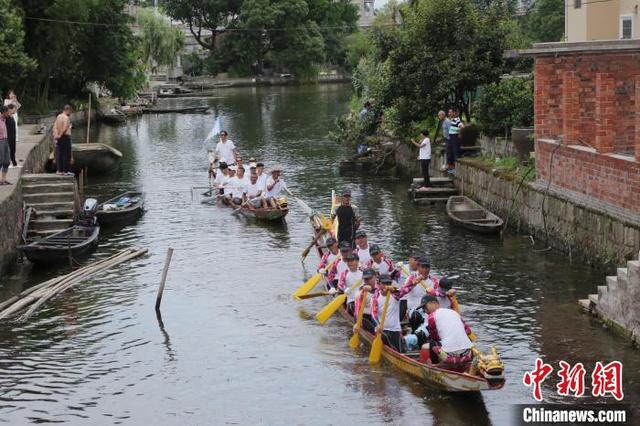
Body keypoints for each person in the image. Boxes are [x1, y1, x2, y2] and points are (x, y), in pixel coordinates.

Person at [416, 295, 474, 365]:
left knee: (432, 342)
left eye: (425, 307)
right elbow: (468, 331)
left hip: (448, 356)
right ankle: (465, 361)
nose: (425, 311)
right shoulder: (454, 312)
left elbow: (435, 337)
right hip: (468, 353)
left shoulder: (431, 317)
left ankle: (435, 364)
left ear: (434, 303)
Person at [370, 274, 421, 352]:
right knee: (391, 345)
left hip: (395, 329)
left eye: (388, 283)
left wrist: (415, 283)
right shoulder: (375, 297)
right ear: (379, 284)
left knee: (400, 351)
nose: (386, 286)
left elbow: (406, 289)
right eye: (384, 283)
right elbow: (373, 314)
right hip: (382, 331)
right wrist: (377, 325)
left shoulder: (395, 294)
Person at [403, 256, 440, 331]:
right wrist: (413, 284)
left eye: (427, 267)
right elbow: (403, 292)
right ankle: (414, 333)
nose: (425, 270)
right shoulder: (411, 278)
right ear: (418, 267)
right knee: (416, 315)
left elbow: (439, 296)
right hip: (413, 310)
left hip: (428, 311)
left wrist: (433, 293)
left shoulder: (434, 281)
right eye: (423, 267)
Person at [353, 268, 378, 334]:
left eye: (370, 278)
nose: (368, 281)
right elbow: (357, 310)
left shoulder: (381, 288)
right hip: (365, 316)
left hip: (378, 316)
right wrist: (357, 323)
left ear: (375, 277)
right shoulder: (361, 292)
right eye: (366, 279)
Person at [52, 105, 73, 176]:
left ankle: (60, 170)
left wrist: (57, 136)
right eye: (70, 111)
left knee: (60, 154)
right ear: (68, 110)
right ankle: (66, 171)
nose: (70, 113)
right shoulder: (66, 118)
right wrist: (61, 134)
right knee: (67, 154)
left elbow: (56, 127)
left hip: (59, 137)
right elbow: (65, 127)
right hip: (65, 137)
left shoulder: (58, 117)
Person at [448, 108, 464, 173]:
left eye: (450, 112)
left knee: (455, 152)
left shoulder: (457, 120)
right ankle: (452, 167)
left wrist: (459, 133)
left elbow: (462, 126)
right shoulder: (452, 120)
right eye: (449, 112)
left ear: (454, 113)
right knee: (450, 151)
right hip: (451, 137)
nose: (449, 113)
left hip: (455, 137)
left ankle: (456, 168)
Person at [0, 106, 11, 185]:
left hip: (5, 140)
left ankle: (3, 179)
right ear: (4, 112)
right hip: (0, 141)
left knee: (7, 161)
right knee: (0, 160)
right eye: (8, 112)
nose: (9, 113)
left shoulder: (4, 119)